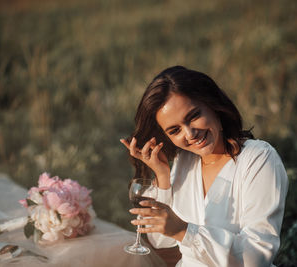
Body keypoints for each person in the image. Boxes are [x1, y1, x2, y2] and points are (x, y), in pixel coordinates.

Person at [120, 66, 288, 267]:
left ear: (213, 104)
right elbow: (161, 241)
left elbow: (257, 257)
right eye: (175, 130)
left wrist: (185, 232)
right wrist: (162, 176)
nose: (190, 134)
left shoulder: (258, 159)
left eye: (193, 116)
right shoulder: (185, 161)